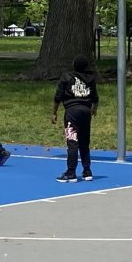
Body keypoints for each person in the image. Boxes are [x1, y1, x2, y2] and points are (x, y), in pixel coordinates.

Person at [51, 54, 99, 182]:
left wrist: (54, 112)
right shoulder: (90, 78)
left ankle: (71, 172)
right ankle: (87, 171)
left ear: (74, 65)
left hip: (72, 112)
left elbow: (58, 96)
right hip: (86, 111)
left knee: (72, 141)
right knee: (84, 142)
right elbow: (95, 97)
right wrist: (93, 109)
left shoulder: (67, 77)